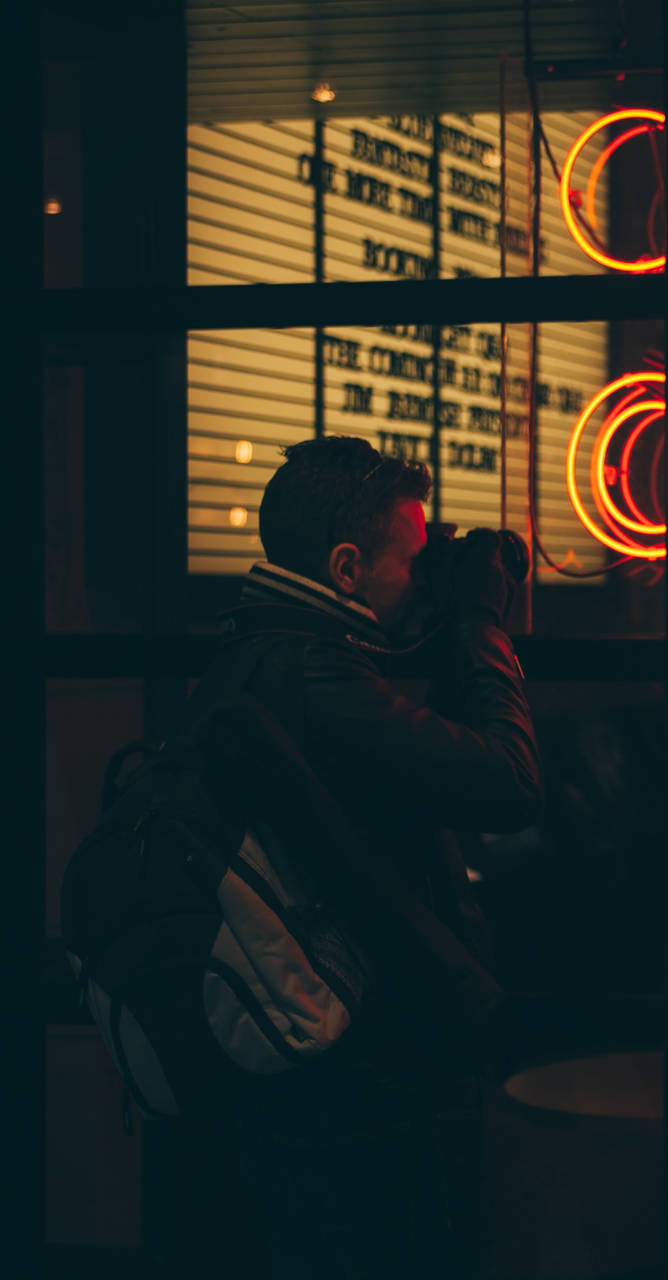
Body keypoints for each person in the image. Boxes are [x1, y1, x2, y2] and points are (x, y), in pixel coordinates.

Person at [154, 435, 542, 1278]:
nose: (423, 574)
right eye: (413, 556)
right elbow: (508, 782)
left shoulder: (253, 652)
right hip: (363, 1089)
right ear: (344, 569)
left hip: (308, 1084)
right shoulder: (313, 674)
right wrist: (480, 619)